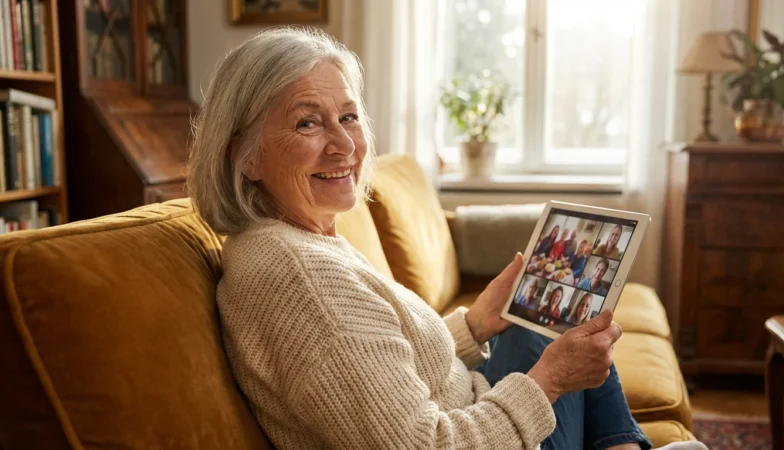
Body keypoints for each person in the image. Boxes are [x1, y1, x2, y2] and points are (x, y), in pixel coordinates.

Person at [187, 27, 705, 450]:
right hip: (475, 435)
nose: (344, 143)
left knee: (550, 320)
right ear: (244, 155)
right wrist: (549, 380)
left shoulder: (304, 237)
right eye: (307, 123)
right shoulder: (297, 276)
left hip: (471, 405)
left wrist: (477, 323)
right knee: (558, 338)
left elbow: (379, 365)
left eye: (347, 116)